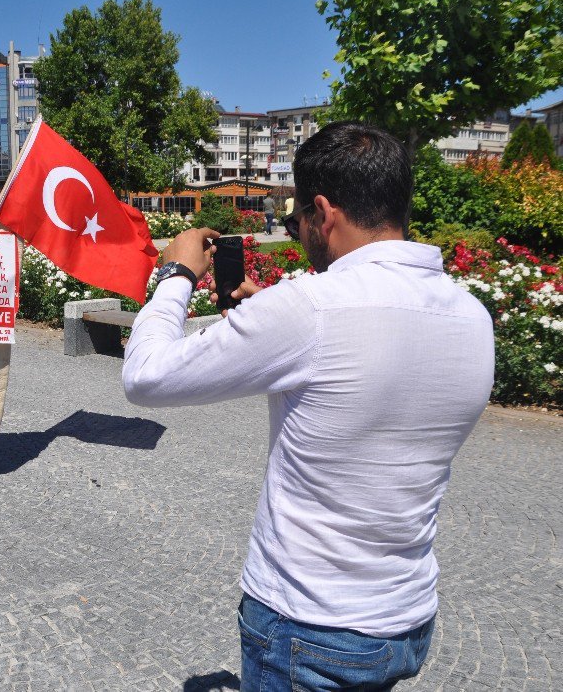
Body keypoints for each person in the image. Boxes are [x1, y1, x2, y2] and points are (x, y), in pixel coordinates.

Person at [123, 121, 494, 691]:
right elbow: (370, 363)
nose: (297, 234)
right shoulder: (472, 316)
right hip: (405, 615)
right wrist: (272, 316)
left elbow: (147, 376)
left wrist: (175, 275)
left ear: (323, 212)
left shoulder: (309, 310)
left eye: (297, 221)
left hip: (309, 620)